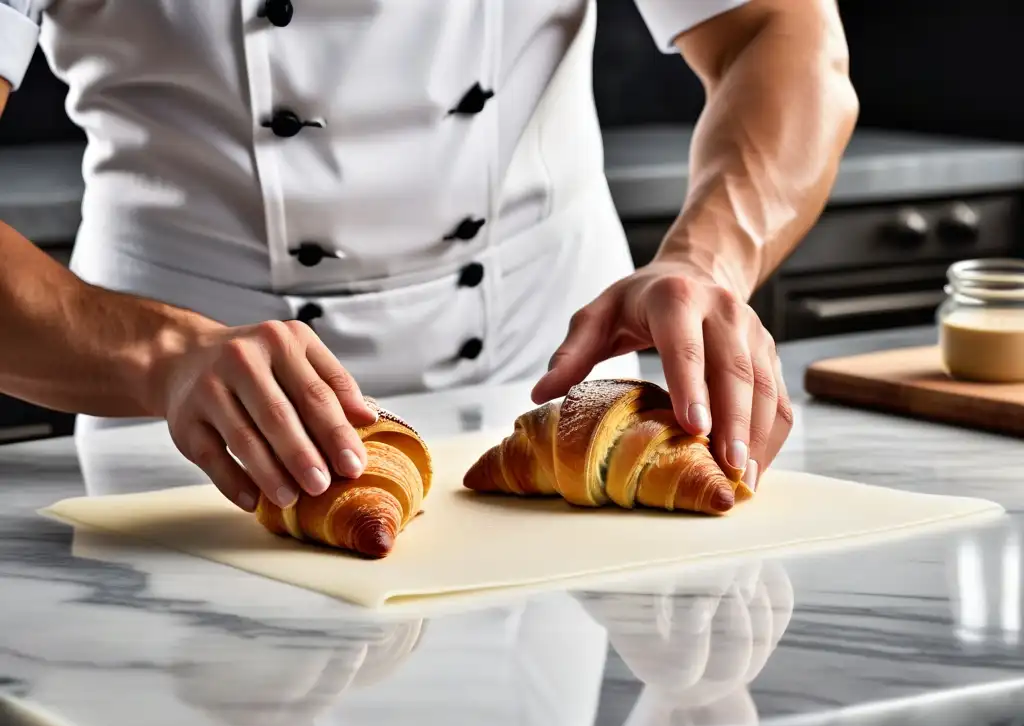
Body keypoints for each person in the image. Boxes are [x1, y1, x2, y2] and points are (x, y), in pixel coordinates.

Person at [0, 0, 858, 511]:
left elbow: (778, 33)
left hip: (545, 402)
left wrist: (706, 263)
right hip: (190, 437)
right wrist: (158, 354)